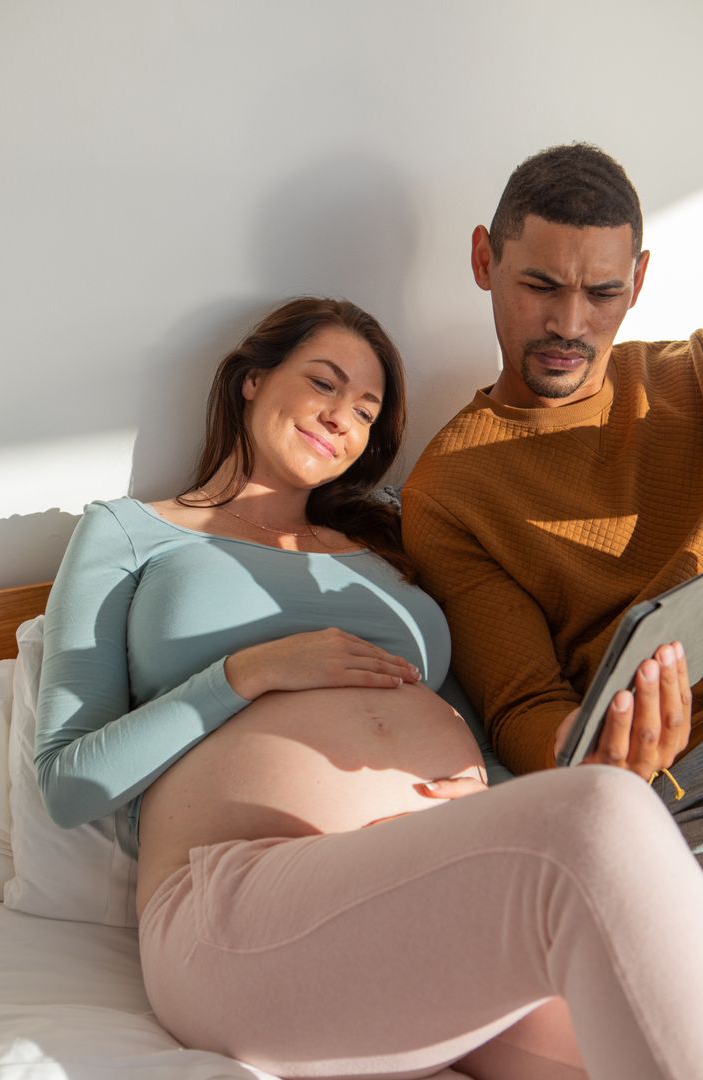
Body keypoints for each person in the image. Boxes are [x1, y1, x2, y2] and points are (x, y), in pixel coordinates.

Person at [35, 296, 703, 1080]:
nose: (342, 418)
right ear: (251, 379)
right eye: (323, 382)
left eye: (366, 409)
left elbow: (474, 728)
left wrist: (525, 785)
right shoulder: (131, 532)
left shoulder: (387, 546)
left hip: (430, 893)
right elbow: (67, 783)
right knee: (600, 814)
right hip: (243, 905)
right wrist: (242, 675)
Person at [403, 143, 703, 864]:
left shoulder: (687, 374)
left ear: (639, 281)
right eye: (540, 285)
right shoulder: (446, 494)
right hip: (666, 779)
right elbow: (524, 705)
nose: (571, 324)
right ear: (484, 261)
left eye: (603, 293)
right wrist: (594, 758)